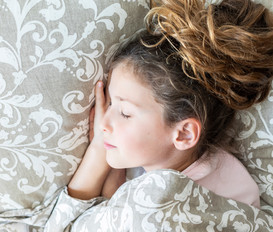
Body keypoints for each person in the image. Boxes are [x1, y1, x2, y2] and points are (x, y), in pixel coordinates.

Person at [67, 0, 273, 209]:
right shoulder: (155, 158)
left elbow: (66, 231)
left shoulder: (211, 201)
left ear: (184, 133)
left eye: (125, 113)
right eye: (110, 103)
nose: (104, 122)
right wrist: (104, 150)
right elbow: (114, 209)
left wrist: (98, 153)